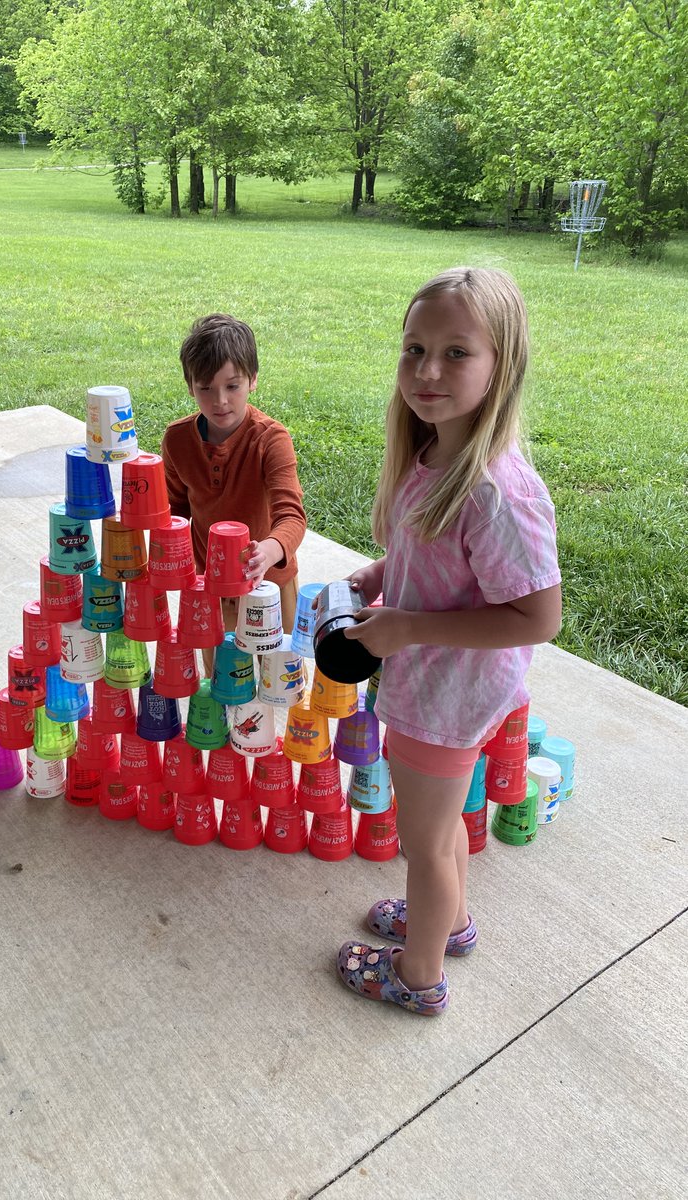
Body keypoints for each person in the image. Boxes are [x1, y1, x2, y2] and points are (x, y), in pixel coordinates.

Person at [335, 267, 562, 1015]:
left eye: (457, 353)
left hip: (450, 690)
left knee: (423, 842)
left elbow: (537, 618)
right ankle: (452, 922)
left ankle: (418, 976)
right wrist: (385, 576)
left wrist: (406, 627)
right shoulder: (432, 455)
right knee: (440, 826)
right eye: (414, 349)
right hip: (431, 677)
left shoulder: (497, 490)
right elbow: (436, 561)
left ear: (503, 365)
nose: (428, 371)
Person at [161, 313, 307, 672]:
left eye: (233, 385)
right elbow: (175, 512)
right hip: (209, 588)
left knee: (279, 678)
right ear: (189, 385)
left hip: (269, 585)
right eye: (205, 388)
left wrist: (269, 551)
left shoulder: (271, 440)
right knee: (222, 681)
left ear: (253, 380)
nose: (220, 400)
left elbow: (291, 515)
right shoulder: (177, 440)